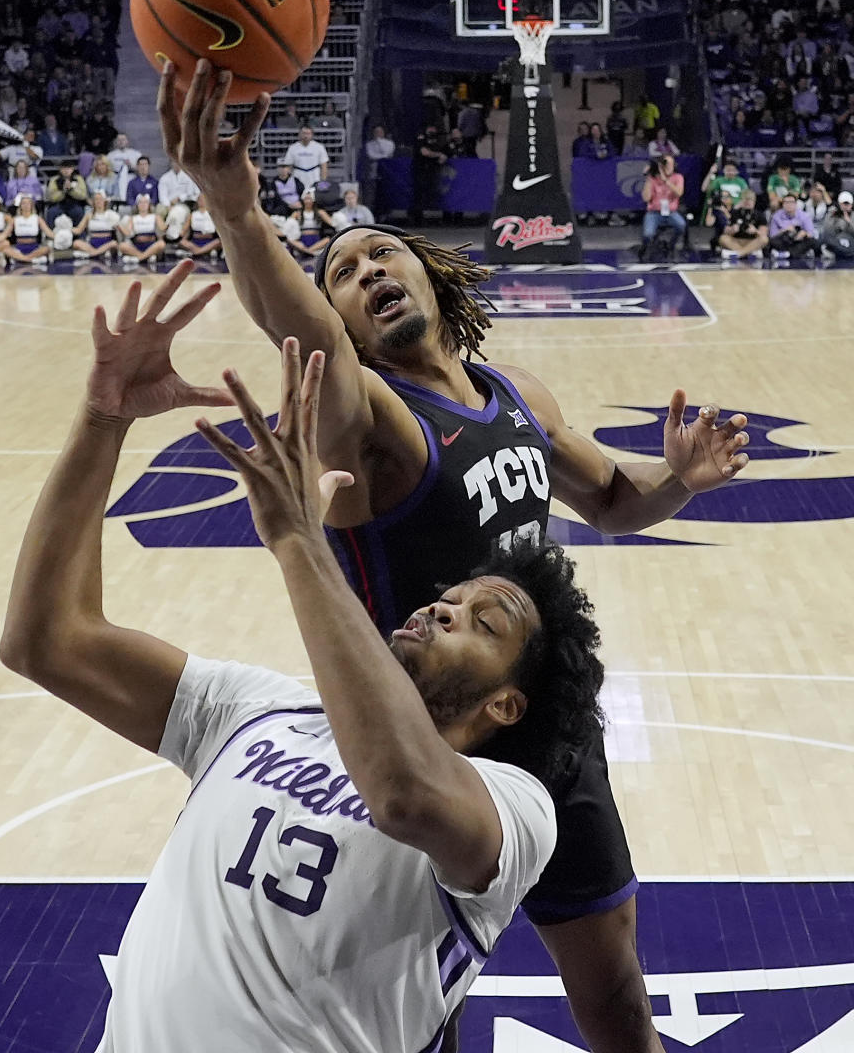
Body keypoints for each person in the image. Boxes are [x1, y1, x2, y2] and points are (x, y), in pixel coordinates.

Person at [158, 61, 753, 1053]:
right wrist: (238, 213)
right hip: (423, 747)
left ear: (432, 272)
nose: (367, 274)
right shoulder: (372, 421)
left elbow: (610, 499)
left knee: (613, 995)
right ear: (340, 323)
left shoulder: (516, 394)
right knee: (402, 1013)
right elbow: (303, 339)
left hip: (546, 727)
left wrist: (680, 479)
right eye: (342, 275)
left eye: (382, 255)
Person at [0, 285, 594, 1051]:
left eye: (483, 622)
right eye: (451, 596)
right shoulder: (256, 708)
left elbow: (404, 794)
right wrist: (102, 418)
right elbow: (46, 639)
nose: (444, 608)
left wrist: (300, 543)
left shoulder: (516, 809)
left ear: (509, 706)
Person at [640, 154, 686, 255]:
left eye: (671, 164)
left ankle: (671, 245)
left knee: (681, 225)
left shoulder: (678, 177)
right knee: (648, 234)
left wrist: (665, 180)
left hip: (671, 212)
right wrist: (648, 178)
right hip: (654, 213)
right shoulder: (653, 179)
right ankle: (645, 247)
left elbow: (679, 192)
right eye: (666, 164)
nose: (668, 167)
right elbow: (646, 198)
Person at [713, 189, 768, 261]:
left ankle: (739, 254)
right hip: (737, 241)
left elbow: (763, 233)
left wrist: (755, 231)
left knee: (764, 239)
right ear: (741, 201)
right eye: (745, 200)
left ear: (754, 201)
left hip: (752, 241)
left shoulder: (760, 215)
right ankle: (750, 253)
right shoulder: (735, 213)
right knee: (723, 238)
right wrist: (732, 230)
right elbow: (726, 231)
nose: (747, 202)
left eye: (750, 200)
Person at [411, 123, 448, 225]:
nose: (433, 131)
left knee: (433, 194)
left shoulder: (438, 140)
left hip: (432, 172)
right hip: (420, 171)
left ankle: (441, 218)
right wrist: (438, 155)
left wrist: (443, 156)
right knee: (419, 195)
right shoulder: (421, 138)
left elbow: (444, 151)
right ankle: (417, 219)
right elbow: (425, 152)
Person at [4, 194, 54, 265]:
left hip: (34, 247)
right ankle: (30, 260)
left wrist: (59, 237)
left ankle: (21, 259)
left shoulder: (37, 218)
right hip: (19, 247)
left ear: (31, 205)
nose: (26, 205)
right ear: (20, 206)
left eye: (28, 203)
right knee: (6, 250)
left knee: (47, 249)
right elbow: (5, 234)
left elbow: (48, 232)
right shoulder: (15, 219)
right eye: (24, 203)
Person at [767, 192, 818, 259]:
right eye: (786, 202)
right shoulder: (776, 216)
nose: (789, 205)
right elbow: (772, 235)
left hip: (799, 241)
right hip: (784, 241)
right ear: (783, 204)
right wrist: (784, 230)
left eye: (791, 202)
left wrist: (804, 233)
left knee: (812, 241)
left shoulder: (805, 216)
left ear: (796, 204)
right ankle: (796, 254)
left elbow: (811, 233)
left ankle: (786, 254)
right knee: (772, 242)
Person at [119, 192, 165, 264]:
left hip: (151, 245)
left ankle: (138, 258)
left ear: (149, 204)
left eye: (145, 202)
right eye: (140, 202)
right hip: (137, 245)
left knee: (161, 244)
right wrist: (119, 226)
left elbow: (163, 228)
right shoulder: (133, 218)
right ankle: (145, 257)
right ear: (137, 205)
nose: (143, 204)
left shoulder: (155, 216)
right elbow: (128, 233)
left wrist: (169, 223)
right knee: (122, 246)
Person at [72, 190, 119, 259]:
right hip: (93, 243)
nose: (98, 201)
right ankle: (97, 253)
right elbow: (78, 230)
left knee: (114, 244)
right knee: (76, 243)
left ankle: (92, 254)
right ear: (93, 201)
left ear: (104, 201)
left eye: (100, 199)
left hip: (107, 243)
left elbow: (118, 230)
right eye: (96, 199)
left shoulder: (110, 214)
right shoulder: (89, 215)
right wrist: (67, 228)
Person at [45, 158, 89, 226]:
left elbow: (83, 195)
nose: (66, 171)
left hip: (75, 204)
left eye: (68, 168)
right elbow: (51, 197)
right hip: (58, 205)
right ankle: (50, 235)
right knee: (51, 212)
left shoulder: (78, 179)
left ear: (72, 169)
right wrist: (63, 191)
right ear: (60, 169)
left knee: (79, 212)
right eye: (64, 168)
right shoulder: (54, 180)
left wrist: (71, 190)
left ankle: (81, 235)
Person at [177, 192, 221, 259]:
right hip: (195, 241)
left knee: (218, 242)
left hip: (210, 240)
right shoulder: (193, 214)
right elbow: (184, 229)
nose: (201, 201)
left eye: (203, 199)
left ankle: (197, 252)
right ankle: (204, 252)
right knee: (180, 241)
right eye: (199, 199)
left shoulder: (214, 213)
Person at [821, 189, 854, 259]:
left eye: (847, 204)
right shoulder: (832, 214)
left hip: (851, 241)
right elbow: (827, 231)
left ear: (851, 205)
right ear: (839, 204)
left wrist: (849, 222)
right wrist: (835, 219)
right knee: (826, 239)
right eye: (843, 204)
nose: (845, 206)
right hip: (837, 240)